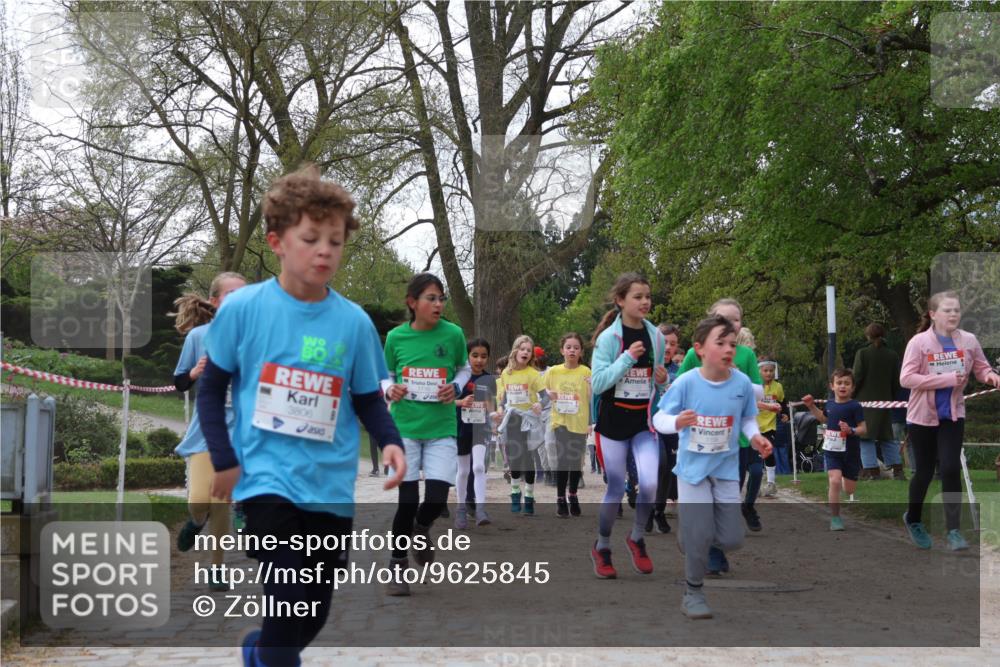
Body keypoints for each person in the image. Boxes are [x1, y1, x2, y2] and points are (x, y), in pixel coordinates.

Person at [196, 165, 406, 667]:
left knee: (310, 612)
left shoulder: (353, 322)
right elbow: (212, 389)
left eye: (335, 241)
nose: (325, 250)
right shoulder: (243, 309)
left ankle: (259, 652)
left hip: (329, 486)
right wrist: (223, 458)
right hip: (265, 478)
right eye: (311, 238)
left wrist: (391, 440)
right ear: (277, 241)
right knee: (288, 592)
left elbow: (368, 398)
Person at [654, 315, 772, 619]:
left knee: (732, 538)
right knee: (699, 535)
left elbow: (747, 418)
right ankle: (693, 592)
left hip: (726, 470)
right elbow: (659, 418)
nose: (728, 349)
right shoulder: (686, 382)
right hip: (692, 471)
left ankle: (693, 535)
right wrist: (677, 422)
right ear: (700, 349)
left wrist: (756, 437)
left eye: (732, 343)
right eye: (720, 343)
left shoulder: (742, 383)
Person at [383, 273, 470, 594]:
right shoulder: (395, 337)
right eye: (431, 298)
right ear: (412, 302)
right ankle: (397, 566)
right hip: (404, 427)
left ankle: (422, 526)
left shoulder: (454, 334)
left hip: (441, 428)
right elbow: (386, 374)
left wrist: (456, 385)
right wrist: (389, 388)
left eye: (441, 298)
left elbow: (463, 367)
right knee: (406, 502)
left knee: (435, 498)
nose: (438, 304)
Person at [900, 291, 1000, 551]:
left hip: (952, 415)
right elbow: (906, 379)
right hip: (922, 417)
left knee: (950, 468)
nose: (953, 314)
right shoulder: (919, 343)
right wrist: (943, 380)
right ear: (933, 315)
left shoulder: (969, 340)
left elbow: (981, 367)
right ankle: (913, 519)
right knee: (923, 472)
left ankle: (954, 530)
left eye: (956, 310)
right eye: (947, 310)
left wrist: (991, 376)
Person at [677, 298, 771, 574]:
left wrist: (736, 378)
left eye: (736, 319)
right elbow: (680, 386)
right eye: (723, 318)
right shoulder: (698, 354)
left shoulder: (746, 355)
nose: (730, 324)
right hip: (701, 437)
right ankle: (710, 552)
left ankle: (716, 547)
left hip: (735, 440)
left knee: (725, 498)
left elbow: (759, 392)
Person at [588, 273, 668, 579]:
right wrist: (625, 359)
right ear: (620, 301)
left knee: (649, 483)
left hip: (642, 424)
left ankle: (636, 538)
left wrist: (662, 381)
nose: (645, 302)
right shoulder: (609, 339)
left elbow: (656, 386)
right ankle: (603, 546)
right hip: (612, 425)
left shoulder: (656, 337)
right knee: (615, 488)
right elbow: (597, 384)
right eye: (638, 296)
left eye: (648, 296)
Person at [171, 271, 246, 591]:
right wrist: (194, 371)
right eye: (232, 295)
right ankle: (195, 520)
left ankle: (217, 568)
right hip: (207, 429)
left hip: (242, 430)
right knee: (200, 499)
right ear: (215, 302)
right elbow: (179, 382)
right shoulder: (198, 337)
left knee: (222, 502)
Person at [801, 369, 867, 531]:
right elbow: (823, 418)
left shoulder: (855, 406)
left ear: (852, 387)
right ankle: (835, 517)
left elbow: (863, 429)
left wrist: (850, 430)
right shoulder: (830, 404)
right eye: (839, 383)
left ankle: (842, 482)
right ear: (832, 386)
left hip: (851, 452)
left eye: (846, 383)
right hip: (832, 451)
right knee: (835, 480)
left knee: (849, 489)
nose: (842, 386)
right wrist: (811, 406)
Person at [494, 335, 547, 515]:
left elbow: (545, 396)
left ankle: (530, 497)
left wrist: (540, 404)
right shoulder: (506, 373)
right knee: (515, 458)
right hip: (513, 419)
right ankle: (515, 493)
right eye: (522, 349)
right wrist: (500, 409)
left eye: (528, 350)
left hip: (529, 420)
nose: (525, 352)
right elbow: (504, 397)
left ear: (531, 355)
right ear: (515, 351)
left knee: (528, 459)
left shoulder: (533, 374)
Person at [545, 332, 592, 517]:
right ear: (562, 350)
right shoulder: (553, 371)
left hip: (579, 421)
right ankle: (560, 498)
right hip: (560, 420)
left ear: (581, 352)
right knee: (563, 459)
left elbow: (589, 398)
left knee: (575, 461)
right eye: (569, 347)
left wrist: (591, 385)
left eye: (576, 347)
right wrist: (548, 393)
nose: (572, 350)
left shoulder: (586, 372)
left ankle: (573, 494)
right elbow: (543, 390)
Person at [853, 323, 903, 481]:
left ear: (867, 336)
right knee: (887, 437)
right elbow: (897, 381)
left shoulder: (862, 354)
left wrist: (850, 396)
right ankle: (898, 471)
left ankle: (872, 472)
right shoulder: (892, 355)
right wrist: (890, 398)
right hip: (885, 402)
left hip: (864, 403)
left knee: (865, 437)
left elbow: (857, 377)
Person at [454, 338, 494, 528]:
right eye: (475, 355)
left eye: (484, 356)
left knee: (478, 467)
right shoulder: (460, 377)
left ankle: (480, 509)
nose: (479, 360)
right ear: (467, 356)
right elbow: (447, 401)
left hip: (480, 429)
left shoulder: (489, 379)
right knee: (463, 470)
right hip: (461, 428)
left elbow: (493, 405)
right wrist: (461, 402)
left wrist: (494, 412)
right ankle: (461, 509)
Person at [647, 323, 680, 533]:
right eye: (664, 342)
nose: (668, 347)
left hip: (672, 427)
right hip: (649, 426)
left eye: (673, 344)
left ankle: (659, 510)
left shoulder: (679, 371)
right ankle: (648, 510)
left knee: (669, 469)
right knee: (659, 464)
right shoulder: (647, 367)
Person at [757, 359, 788, 497]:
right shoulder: (755, 386)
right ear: (759, 371)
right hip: (754, 425)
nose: (768, 373)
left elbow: (783, 402)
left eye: (771, 371)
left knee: (768, 452)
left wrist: (785, 414)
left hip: (770, 425)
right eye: (765, 370)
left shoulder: (778, 387)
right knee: (755, 456)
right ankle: (755, 483)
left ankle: (771, 483)